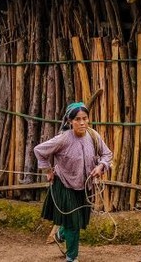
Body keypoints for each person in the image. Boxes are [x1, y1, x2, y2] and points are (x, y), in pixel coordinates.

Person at [34, 102, 113, 262]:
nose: (82, 122)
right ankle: (71, 258)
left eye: (85, 118)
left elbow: (107, 154)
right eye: (77, 119)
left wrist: (100, 167)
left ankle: (59, 234)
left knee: (78, 222)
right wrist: (48, 170)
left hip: (84, 187)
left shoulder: (93, 136)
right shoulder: (63, 139)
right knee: (73, 224)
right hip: (65, 185)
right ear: (70, 121)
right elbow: (39, 150)